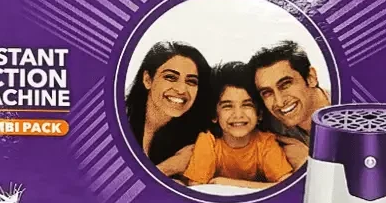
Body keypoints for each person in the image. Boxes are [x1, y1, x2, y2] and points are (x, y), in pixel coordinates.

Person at [183, 62, 293, 190]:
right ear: (214, 115)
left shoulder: (266, 143)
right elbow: (197, 188)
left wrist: (228, 183)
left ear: (259, 114)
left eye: (247, 105)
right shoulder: (209, 141)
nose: (238, 115)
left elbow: (287, 188)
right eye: (228, 106)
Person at [126, 41, 211, 176]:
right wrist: (170, 167)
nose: (181, 89)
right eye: (170, 77)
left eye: (191, 81)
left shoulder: (194, 141)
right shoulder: (116, 120)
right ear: (147, 80)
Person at [250, 40, 330, 145]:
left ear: (311, 78)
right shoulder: (268, 125)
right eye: (267, 93)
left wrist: (306, 155)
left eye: (285, 85)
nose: (279, 102)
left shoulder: (348, 104)